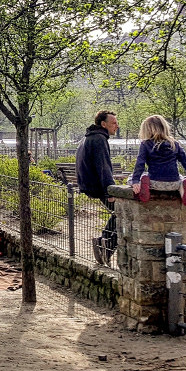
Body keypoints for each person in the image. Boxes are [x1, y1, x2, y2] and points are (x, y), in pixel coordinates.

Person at [130, 115, 186, 206]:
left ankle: (144, 185)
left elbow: (140, 163)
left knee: (132, 177)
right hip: (174, 183)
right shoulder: (175, 144)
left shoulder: (145, 144)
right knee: (182, 178)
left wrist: (135, 181)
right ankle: (182, 189)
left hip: (154, 182)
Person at [75, 110, 118, 267]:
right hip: (99, 187)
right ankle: (105, 246)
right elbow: (103, 167)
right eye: (113, 123)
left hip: (90, 186)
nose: (116, 126)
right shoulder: (99, 139)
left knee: (119, 214)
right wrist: (109, 191)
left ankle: (103, 243)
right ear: (103, 124)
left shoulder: (89, 137)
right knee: (125, 215)